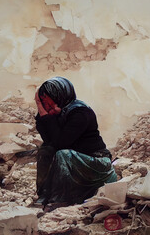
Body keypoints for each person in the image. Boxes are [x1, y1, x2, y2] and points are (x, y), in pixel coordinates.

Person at [34, 76, 117, 208]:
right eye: (46, 104)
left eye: (52, 103)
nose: (50, 108)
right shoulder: (59, 113)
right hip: (75, 160)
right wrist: (41, 109)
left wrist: (49, 117)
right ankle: (44, 194)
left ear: (61, 97)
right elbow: (49, 141)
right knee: (45, 150)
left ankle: (61, 198)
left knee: (63, 154)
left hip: (96, 162)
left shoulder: (81, 112)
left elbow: (60, 143)